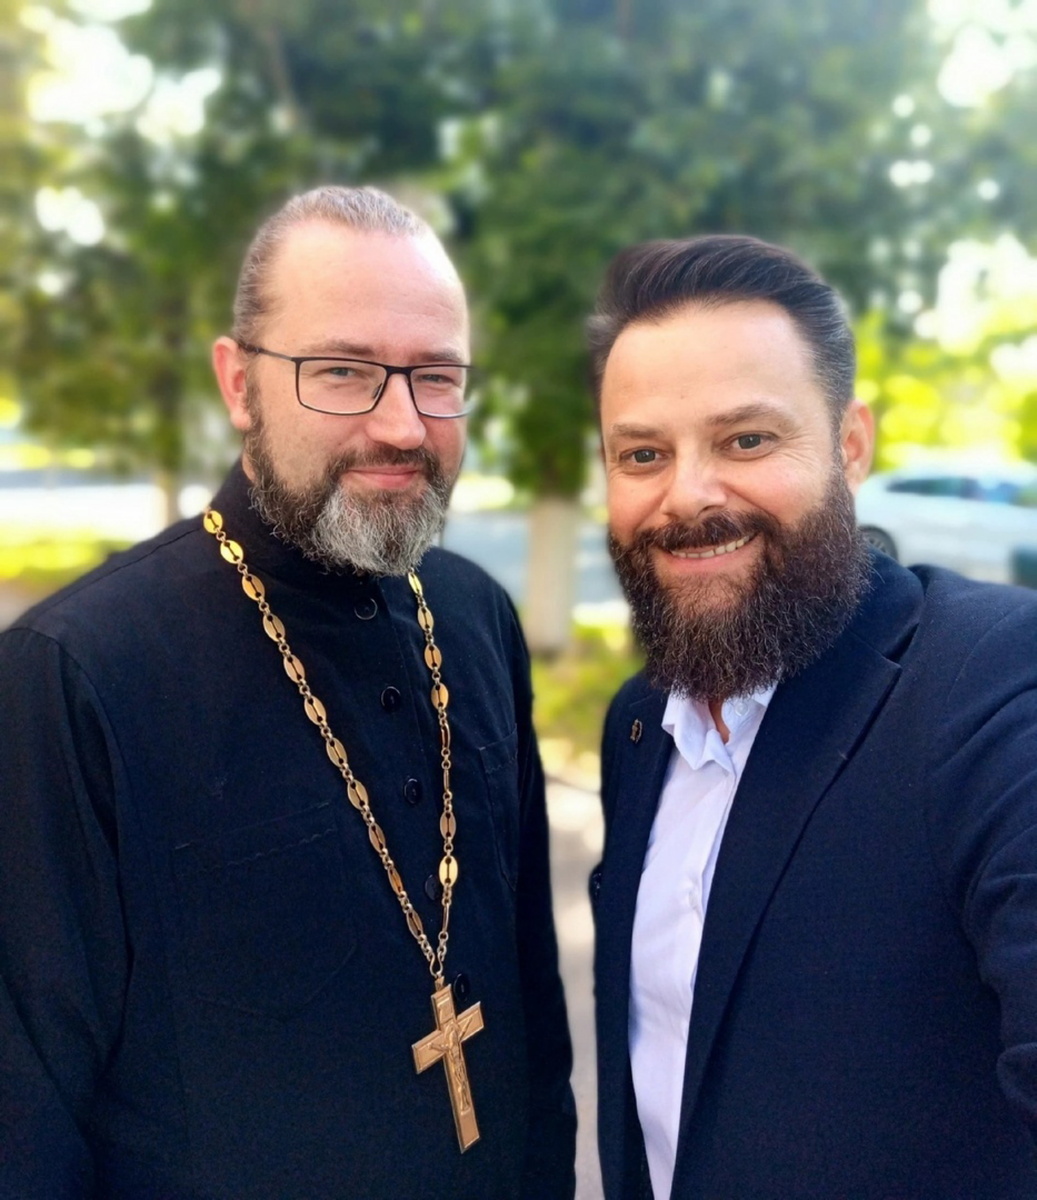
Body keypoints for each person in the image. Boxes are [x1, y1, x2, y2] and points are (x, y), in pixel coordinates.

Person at [0, 185, 576, 1198]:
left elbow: (532, 1000)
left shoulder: (476, 616)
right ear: (239, 383)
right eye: (343, 371)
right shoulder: (73, 675)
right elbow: (26, 1112)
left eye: (436, 376)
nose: (401, 424)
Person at [587, 233, 1037, 1199]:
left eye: (746, 440)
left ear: (849, 444)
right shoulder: (639, 727)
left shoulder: (991, 680)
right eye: (642, 454)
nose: (687, 496)